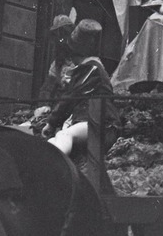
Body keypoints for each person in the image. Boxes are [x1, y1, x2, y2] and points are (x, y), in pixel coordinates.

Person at [43, 19, 116, 159]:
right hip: (91, 122)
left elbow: (70, 97)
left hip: (103, 126)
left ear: (78, 53)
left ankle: (52, 166)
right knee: (53, 141)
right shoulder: (92, 68)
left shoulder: (91, 68)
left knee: (64, 135)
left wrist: (51, 122)